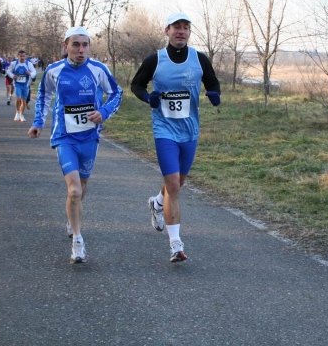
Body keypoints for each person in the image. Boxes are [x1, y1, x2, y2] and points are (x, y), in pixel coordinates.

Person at [130, 13, 221, 263]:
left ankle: (157, 204)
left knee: (177, 184)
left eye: (185, 28)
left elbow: (213, 82)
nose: (181, 31)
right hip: (164, 129)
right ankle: (175, 244)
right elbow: (136, 84)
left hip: (190, 130)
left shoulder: (199, 59)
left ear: (189, 33)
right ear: (167, 31)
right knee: (173, 186)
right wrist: (148, 98)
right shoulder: (155, 59)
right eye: (176, 27)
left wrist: (214, 94)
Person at [28, 26, 122, 264]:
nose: (81, 50)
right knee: (74, 190)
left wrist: (104, 112)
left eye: (85, 45)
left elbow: (116, 93)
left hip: (89, 137)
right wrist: (38, 122)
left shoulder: (98, 69)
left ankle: (72, 219)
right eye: (76, 45)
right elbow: (43, 96)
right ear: (66, 47)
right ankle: (77, 241)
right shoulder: (54, 71)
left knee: (83, 185)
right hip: (64, 136)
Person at [7, 50, 36, 122]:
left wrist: (30, 74)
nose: (22, 58)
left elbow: (34, 72)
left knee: (24, 100)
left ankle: (21, 115)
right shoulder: (14, 63)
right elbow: (8, 71)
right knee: (18, 98)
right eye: (21, 56)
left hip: (26, 84)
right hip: (17, 84)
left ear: (25, 56)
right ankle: (17, 112)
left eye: (23, 56)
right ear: (18, 56)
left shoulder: (29, 64)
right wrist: (13, 76)